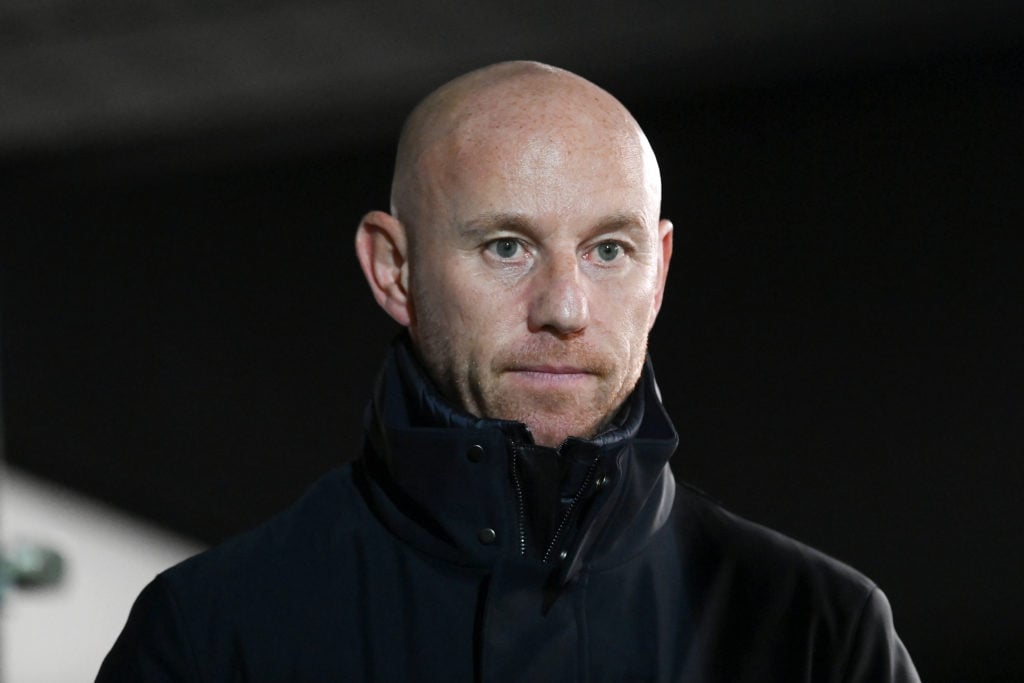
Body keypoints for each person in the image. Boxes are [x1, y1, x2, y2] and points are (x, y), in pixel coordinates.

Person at [98, 61, 919, 682]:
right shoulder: (214, 634)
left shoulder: (820, 633)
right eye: (506, 247)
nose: (564, 307)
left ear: (659, 271)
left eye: (608, 250)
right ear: (393, 269)